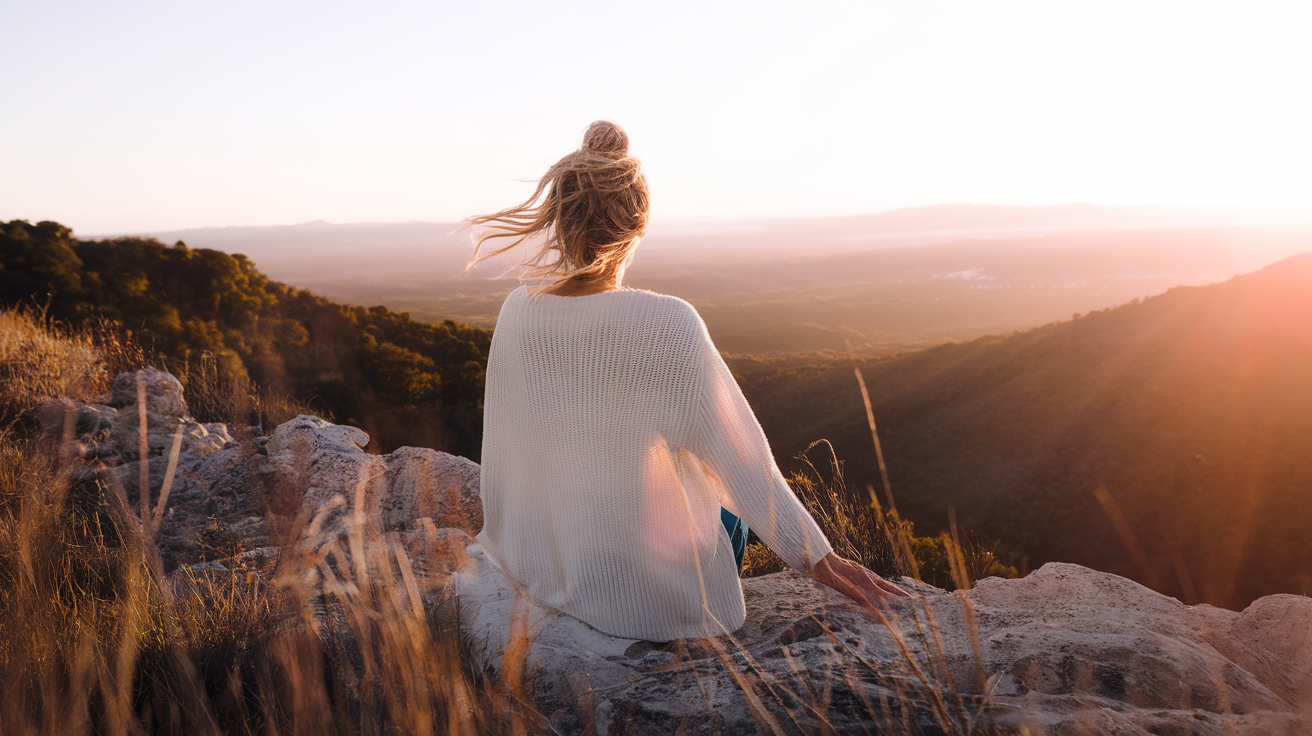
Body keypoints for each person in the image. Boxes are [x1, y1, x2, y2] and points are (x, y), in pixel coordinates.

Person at [466, 120, 908, 642]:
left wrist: (522, 553)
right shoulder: (669, 324)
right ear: (638, 228)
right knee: (723, 502)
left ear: (559, 223)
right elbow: (745, 467)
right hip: (658, 605)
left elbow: (506, 456)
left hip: (541, 570)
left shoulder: (517, 311)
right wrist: (820, 559)